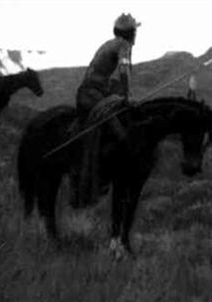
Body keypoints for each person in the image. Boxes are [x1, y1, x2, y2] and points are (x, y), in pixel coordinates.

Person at [71, 13, 140, 207]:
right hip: (92, 96)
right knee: (120, 134)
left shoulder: (110, 43)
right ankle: (101, 179)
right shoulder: (123, 46)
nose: (136, 36)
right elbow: (124, 72)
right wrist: (127, 98)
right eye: (134, 31)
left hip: (87, 94)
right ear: (130, 33)